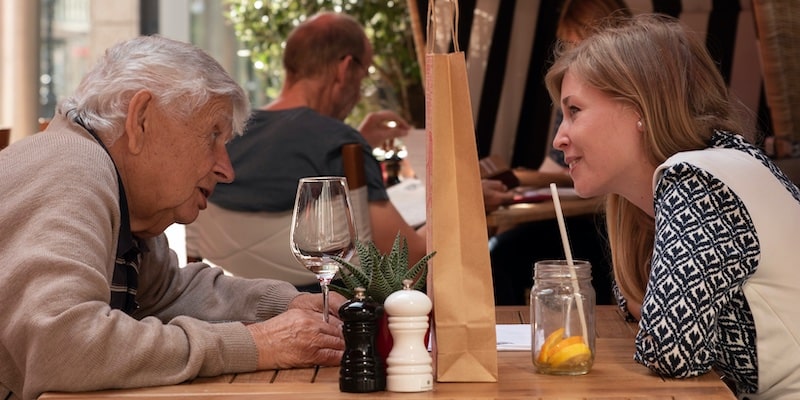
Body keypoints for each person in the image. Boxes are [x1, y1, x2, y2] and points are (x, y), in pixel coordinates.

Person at [0, 35, 346, 400]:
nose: (227, 169)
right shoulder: (70, 168)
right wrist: (256, 344)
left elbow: (166, 293)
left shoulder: (118, 191)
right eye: (213, 135)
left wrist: (284, 305)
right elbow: (64, 348)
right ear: (141, 120)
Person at [545, 13, 800, 398]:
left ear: (639, 110)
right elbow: (639, 315)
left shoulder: (700, 180)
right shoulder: (721, 163)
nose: (559, 138)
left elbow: (670, 351)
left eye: (574, 111)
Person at [186, 12, 431, 287]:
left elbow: (280, 162)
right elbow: (407, 263)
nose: (360, 92)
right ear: (345, 68)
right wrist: (454, 206)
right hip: (333, 312)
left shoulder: (226, 135)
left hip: (246, 304)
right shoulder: (338, 145)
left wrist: (358, 144)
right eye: (363, 77)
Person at [489, 0, 631, 305]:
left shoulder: (616, 93)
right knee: (499, 251)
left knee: (501, 253)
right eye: (567, 46)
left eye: (577, 43)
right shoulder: (574, 90)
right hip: (592, 220)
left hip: (606, 223)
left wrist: (523, 179)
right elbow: (556, 169)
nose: (559, 139)